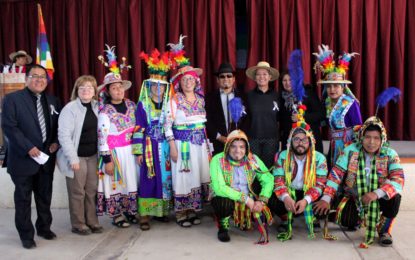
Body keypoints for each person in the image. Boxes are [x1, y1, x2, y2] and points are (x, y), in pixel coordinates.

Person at [314, 116, 404, 248]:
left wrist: (376, 193)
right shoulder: (350, 151)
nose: (371, 142)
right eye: (367, 137)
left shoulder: (390, 154)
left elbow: (398, 179)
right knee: (347, 221)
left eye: (376, 138)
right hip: (354, 196)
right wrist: (326, 198)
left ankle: (384, 230)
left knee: (395, 197)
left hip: (377, 197)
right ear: (361, 136)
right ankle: (357, 219)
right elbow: (336, 175)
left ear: (382, 139)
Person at [1, 64, 60, 249]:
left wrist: (56, 142)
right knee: (23, 198)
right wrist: (28, 148)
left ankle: (44, 228)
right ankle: (26, 235)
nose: (40, 80)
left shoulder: (53, 101)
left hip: (45, 159)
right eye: (35, 76)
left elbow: (59, 125)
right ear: (27, 79)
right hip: (22, 158)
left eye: (43, 77)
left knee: (44, 196)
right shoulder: (12, 99)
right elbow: (9, 127)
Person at [210, 129, 276, 244]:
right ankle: (223, 226)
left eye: (241, 147)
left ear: (247, 148)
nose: (237, 151)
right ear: (227, 147)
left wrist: (262, 201)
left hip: (249, 198)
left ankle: (248, 217)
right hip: (229, 198)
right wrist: (246, 199)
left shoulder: (253, 160)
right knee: (222, 202)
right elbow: (219, 187)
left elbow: (268, 179)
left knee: (270, 201)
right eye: (233, 146)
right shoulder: (217, 160)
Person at [165, 64, 211, 227]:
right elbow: (167, 124)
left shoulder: (201, 99)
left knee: (196, 176)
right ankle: (181, 212)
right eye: (184, 79)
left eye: (191, 78)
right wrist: (172, 146)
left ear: (196, 81)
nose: (188, 82)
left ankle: (192, 209)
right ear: (179, 83)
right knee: (183, 176)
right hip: (182, 144)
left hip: (200, 144)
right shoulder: (174, 99)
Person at [132, 49, 173, 230]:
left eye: (161, 86)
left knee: (165, 179)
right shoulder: (142, 105)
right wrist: (138, 151)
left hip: (164, 147)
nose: (158, 89)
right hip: (149, 146)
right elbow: (138, 128)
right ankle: (145, 215)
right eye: (154, 86)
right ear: (148, 87)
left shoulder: (169, 104)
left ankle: (161, 211)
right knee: (149, 179)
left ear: (165, 88)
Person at [57, 75, 102, 235]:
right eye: (82, 87)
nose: (86, 90)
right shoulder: (69, 109)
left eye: (90, 87)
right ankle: (78, 223)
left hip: (93, 155)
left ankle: (92, 221)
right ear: (77, 90)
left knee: (92, 189)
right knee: (77, 191)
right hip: (76, 156)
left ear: (94, 91)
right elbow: (63, 136)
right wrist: (72, 159)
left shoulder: (98, 106)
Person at [273, 108, 328, 241]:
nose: (300, 144)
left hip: (308, 193)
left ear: (310, 142)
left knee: (326, 199)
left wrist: (306, 200)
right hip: (290, 192)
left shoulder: (319, 158)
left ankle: (313, 217)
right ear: (290, 142)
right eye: (296, 139)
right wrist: (286, 197)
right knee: (272, 198)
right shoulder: (282, 156)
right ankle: (286, 218)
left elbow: (320, 184)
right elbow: (278, 181)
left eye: (304, 140)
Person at [96, 64, 138, 227]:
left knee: (130, 181)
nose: (119, 91)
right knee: (116, 183)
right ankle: (117, 214)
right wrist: (107, 160)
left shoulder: (132, 106)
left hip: (131, 151)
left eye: (120, 87)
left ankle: (130, 211)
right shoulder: (105, 111)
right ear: (108, 91)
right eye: (114, 88)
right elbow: (102, 137)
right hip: (115, 153)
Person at [313, 45, 362, 168]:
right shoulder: (327, 102)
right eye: (329, 86)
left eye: (336, 86)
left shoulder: (351, 103)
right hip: (333, 144)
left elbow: (358, 128)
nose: (332, 89)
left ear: (342, 87)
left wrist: (355, 152)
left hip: (348, 146)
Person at [278, 71, 325, 153]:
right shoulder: (281, 97)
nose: (287, 83)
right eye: (284, 80)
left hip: (309, 139)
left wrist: (301, 117)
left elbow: (320, 114)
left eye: (290, 80)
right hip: (290, 140)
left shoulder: (307, 93)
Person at [206, 62, 246, 155]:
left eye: (229, 76)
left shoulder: (243, 96)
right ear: (217, 80)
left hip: (238, 144)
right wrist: (219, 137)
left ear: (233, 79)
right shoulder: (209, 98)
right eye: (222, 76)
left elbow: (247, 119)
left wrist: (239, 136)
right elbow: (207, 120)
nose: (226, 79)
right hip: (218, 143)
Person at [245, 61, 280, 168]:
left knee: (268, 168)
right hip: (253, 138)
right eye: (258, 74)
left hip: (272, 139)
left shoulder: (277, 96)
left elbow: (280, 118)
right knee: (254, 168)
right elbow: (245, 118)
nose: (261, 77)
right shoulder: (248, 96)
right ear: (255, 78)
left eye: (264, 74)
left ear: (270, 77)